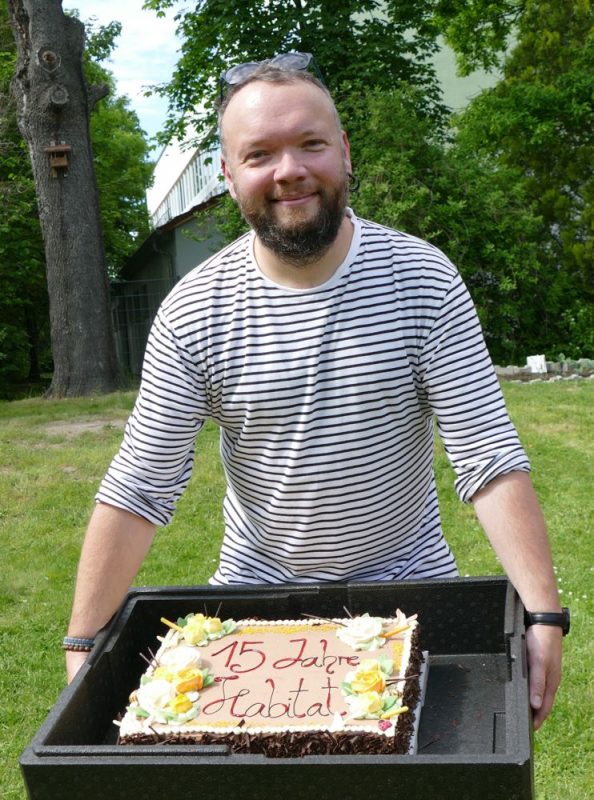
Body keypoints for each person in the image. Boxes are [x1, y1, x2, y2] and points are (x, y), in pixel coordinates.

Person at [65, 53, 564, 729]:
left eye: (310, 143)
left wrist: (542, 611)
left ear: (345, 151)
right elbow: (140, 486)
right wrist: (82, 641)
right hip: (253, 600)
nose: (289, 170)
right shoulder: (194, 312)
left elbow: (487, 455)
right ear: (229, 173)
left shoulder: (422, 280)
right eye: (260, 153)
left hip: (410, 588)